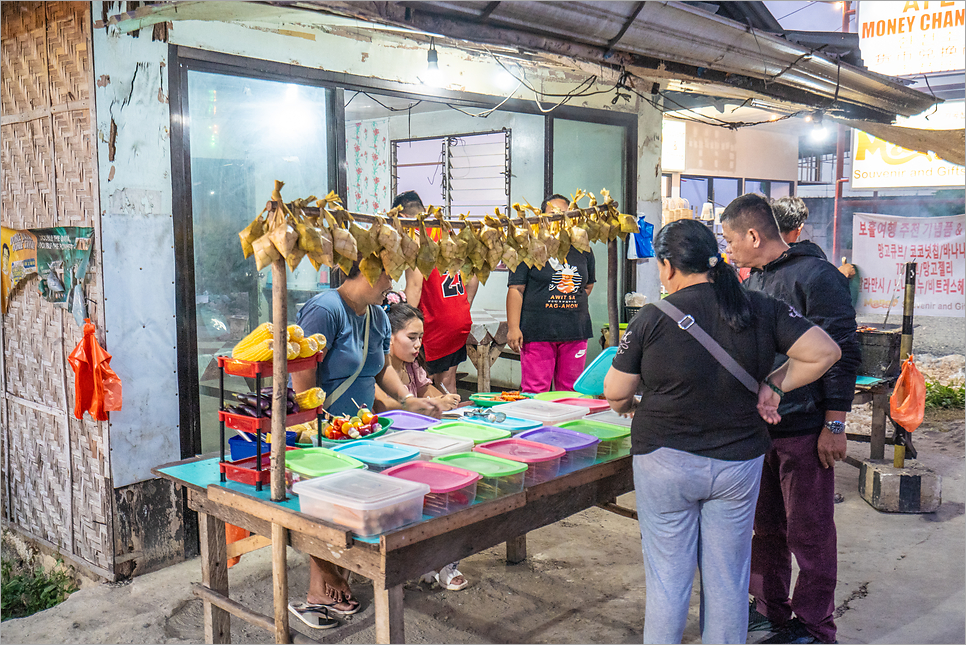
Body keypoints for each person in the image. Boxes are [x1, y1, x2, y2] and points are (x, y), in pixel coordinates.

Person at [603, 219, 841, 644]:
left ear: (668, 266)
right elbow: (825, 351)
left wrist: (631, 406)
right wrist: (773, 385)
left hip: (665, 461)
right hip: (737, 463)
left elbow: (616, 392)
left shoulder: (653, 317)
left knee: (668, 580)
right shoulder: (760, 307)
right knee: (728, 579)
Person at [721, 193, 862, 645]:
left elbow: (842, 353)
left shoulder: (817, 277)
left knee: (811, 533)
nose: (727, 248)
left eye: (729, 239)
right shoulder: (754, 280)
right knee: (766, 529)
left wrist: (834, 425)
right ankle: (771, 611)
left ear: (753, 235)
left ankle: (815, 627)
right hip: (761, 429)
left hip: (804, 428)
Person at [288, 263, 441, 630]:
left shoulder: (376, 315)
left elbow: (379, 367)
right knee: (324, 511)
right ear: (366, 273)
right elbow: (301, 374)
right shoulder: (326, 310)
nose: (392, 283)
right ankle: (323, 587)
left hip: (361, 432)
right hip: (323, 431)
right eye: (387, 275)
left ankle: (326, 586)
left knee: (348, 508)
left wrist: (405, 398)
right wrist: (315, 426)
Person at [506, 194, 595, 393]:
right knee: (535, 389)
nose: (557, 220)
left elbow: (587, 285)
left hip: (575, 331)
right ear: (541, 218)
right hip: (537, 332)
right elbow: (516, 289)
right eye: (551, 215)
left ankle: (566, 425)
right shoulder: (528, 246)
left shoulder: (582, 247)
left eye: (562, 215)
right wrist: (513, 328)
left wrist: (564, 304)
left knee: (571, 391)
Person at [399, 191, 479, 395]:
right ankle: (453, 420)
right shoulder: (448, 233)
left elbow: (415, 287)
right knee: (448, 382)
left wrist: (402, 320)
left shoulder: (415, 238)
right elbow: (473, 274)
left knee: (423, 382)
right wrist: (463, 303)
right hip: (459, 319)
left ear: (403, 217)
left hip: (435, 322)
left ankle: (432, 423)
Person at [373, 298, 461, 413]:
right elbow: (383, 405)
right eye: (412, 338)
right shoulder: (375, 369)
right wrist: (431, 404)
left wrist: (447, 400)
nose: (418, 344)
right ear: (389, 336)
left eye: (420, 337)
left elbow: (426, 390)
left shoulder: (412, 365)